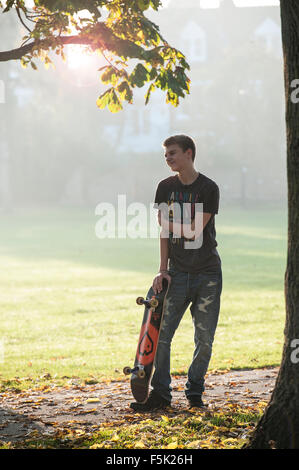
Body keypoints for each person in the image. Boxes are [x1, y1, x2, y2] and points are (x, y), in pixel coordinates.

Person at [130, 134, 222, 411]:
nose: (167, 158)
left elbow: (195, 231)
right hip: (178, 273)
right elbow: (163, 231)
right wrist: (162, 270)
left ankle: (195, 391)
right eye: (165, 154)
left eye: (172, 153)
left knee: (204, 340)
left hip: (208, 274)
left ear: (188, 153)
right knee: (162, 337)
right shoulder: (165, 187)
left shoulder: (208, 188)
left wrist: (171, 224)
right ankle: (160, 395)